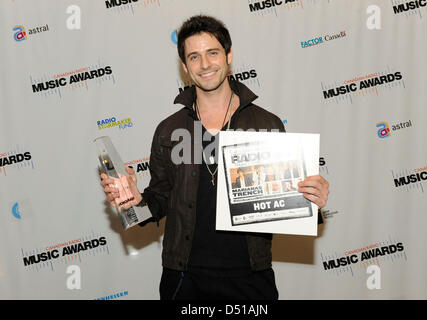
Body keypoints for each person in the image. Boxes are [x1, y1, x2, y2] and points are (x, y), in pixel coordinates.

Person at [100, 15, 329, 300]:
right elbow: (158, 200)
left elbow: (285, 200)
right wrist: (136, 203)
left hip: (250, 279)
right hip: (184, 278)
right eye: (194, 57)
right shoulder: (169, 130)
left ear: (229, 55)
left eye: (212, 53)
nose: (205, 64)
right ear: (184, 66)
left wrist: (312, 200)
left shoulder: (267, 124)